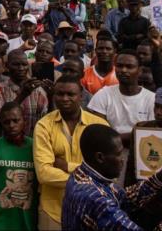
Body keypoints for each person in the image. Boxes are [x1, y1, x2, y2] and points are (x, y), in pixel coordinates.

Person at [61, 124, 162, 230]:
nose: (123, 159)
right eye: (119, 154)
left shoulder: (81, 175)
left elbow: (124, 198)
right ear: (100, 157)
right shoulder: (97, 200)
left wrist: (161, 176)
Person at [33, 77, 108, 230]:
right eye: (60, 94)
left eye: (70, 94)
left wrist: (66, 165)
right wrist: (90, 180)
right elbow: (44, 174)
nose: (65, 99)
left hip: (91, 211)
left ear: (81, 96)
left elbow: (107, 172)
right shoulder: (43, 125)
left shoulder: (99, 125)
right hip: (53, 211)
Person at [0, 102, 37, 231]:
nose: (12, 125)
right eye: (7, 122)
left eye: (16, 120)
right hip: (0, 222)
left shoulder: (37, 148)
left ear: (24, 121)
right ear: (1, 124)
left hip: (30, 221)